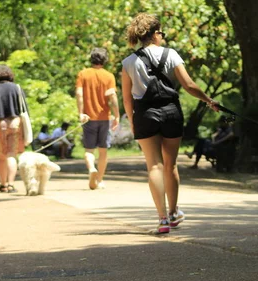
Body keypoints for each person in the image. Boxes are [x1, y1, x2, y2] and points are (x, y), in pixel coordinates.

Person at [121, 13, 219, 234]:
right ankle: (174, 213)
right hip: (171, 112)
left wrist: (134, 121)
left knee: (153, 166)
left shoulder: (128, 62)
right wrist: (208, 100)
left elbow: (127, 98)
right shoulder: (171, 54)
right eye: (161, 33)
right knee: (170, 165)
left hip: (145, 114)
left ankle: (162, 219)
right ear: (155, 34)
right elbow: (189, 84)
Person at [76, 48, 120, 190]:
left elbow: (79, 94)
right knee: (103, 151)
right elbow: (112, 97)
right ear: (105, 60)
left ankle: (91, 169)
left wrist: (81, 113)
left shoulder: (83, 74)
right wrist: (117, 115)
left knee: (89, 151)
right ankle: (100, 180)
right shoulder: (109, 76)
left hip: (88, 118)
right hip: (104, 118)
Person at [0, 65, 28, 193]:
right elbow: (24, 108)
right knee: (11, 155)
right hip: (15, 123)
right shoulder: (17, 88)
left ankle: (3, 184)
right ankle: (11, 184)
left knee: (1, 156)